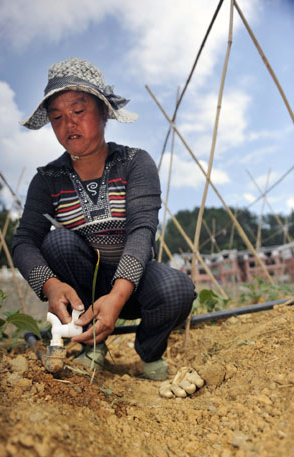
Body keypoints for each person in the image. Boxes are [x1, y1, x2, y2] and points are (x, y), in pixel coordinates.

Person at [12, 57, 196, 380]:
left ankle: (150, 353)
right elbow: (23, 241)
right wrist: (51, 286)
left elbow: (142, 231)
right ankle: (91, 345)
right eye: (57, 117)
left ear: (103, 111)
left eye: (78, 111)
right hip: (87, 284)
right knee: (57, 242)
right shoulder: (48, 180)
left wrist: (117, 295)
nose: (69, 124)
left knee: (177, 289)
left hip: (135, 283)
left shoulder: (135, 164)